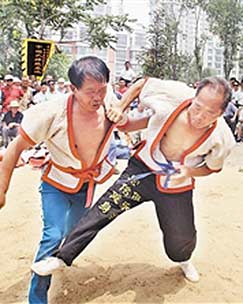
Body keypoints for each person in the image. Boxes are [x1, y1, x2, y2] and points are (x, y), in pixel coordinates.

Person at [31, 77, 235, 284]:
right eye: (197, 106)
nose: (199, 116)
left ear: (221, 113)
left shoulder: (223, 138)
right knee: (103, 209)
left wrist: (188, 171)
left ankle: (183, 260)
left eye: (210, 113)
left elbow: (211, 168)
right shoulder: (174, 94)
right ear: (193, 96)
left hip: (175, 184)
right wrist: (120, 106)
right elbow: (142, 83)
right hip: (142, 170)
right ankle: (61, 257)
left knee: (181, 238)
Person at [0, 56, 122, 304]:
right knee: (53, 236)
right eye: (90, 92)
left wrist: (122, 114)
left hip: (86, 185)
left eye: (102, 89)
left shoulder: (108, 100)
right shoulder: (50, 113)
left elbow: (129, 124)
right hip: (55, 185)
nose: (97, 97)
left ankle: (60, 259)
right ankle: (37, 297)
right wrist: (2, 188)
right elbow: (14, 148)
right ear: (73, 89)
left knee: (73, 234)